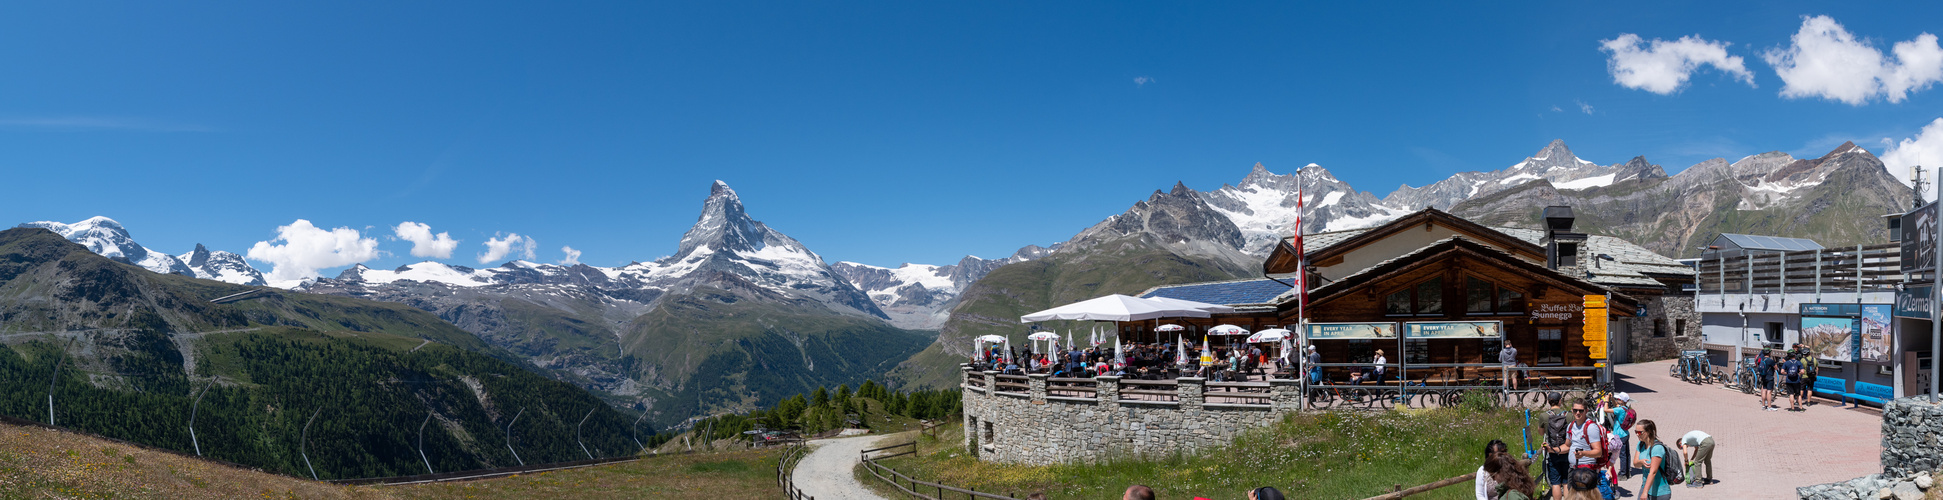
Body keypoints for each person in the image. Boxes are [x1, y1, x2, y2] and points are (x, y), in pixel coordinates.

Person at [1568, 397, 1615, 500]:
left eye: (1581, 410)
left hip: (1587, 471)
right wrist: (1552, 449)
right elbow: (1567, 446)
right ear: (1572, 410)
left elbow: (1598, 452)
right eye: (1575, 410)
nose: (1578, 413)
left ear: (1586, 411)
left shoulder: (1591, 427)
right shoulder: (1571, 426)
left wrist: (1583, 453)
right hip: (1573, 469)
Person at [1630, 419, 1673, 500]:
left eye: (1639, 432)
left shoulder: (1657, 448)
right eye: (1635, 432)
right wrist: (1641, 461)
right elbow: (1635, 464)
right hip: (1645, 487)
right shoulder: (1640, 444)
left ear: (1648, 431)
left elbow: (1653, 472)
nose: (1637, 434)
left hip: (1660, 492)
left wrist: (1645, 492)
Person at [1543, 392, 1573, 500]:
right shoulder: (1568, 415)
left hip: (1552, 451)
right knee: (1566, 481)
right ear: (1560, 401)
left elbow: (1541, 433)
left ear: (1548, 402)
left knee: (1555, 482)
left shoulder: (1544, 416)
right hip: (1566, 450)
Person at [1606, 393, 1634, 480]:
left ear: (1621, 400)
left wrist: (1607, 400)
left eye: (1618, 398)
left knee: (1622, 455)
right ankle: (1627, 472)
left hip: (1620, 436)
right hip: (1625, 434)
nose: (1617, 399)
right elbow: (1616, 405)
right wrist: (1612, 399)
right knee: (1626, 454)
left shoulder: (1620, 410)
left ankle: (1622, 474)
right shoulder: (1625, 408)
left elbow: (1606, 410)